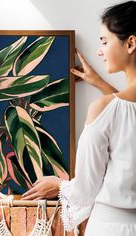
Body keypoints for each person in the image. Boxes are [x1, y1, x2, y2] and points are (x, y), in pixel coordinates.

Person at [22, 1, 136, 235]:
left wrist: (59, 185)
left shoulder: (103, 110)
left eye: (105, 41)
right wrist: (103, 85)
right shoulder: (111, 109)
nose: (99, 51)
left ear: (131, 43)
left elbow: (85, 190)